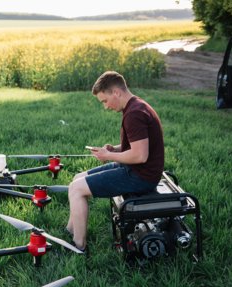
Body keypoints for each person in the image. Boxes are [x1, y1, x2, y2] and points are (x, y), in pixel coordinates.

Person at [66, 71, 164, 254]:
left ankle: (78, 246)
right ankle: (70, 231)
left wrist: (108, 156)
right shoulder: (136, 106)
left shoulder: (134, 114)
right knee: (77, 179)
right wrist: (115, 149)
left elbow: (140, 156)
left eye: (105, 101)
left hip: (141, 176)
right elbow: (138, 146)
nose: (106, 106)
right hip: (137, 169)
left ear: (116, 93)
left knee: (77, 189)